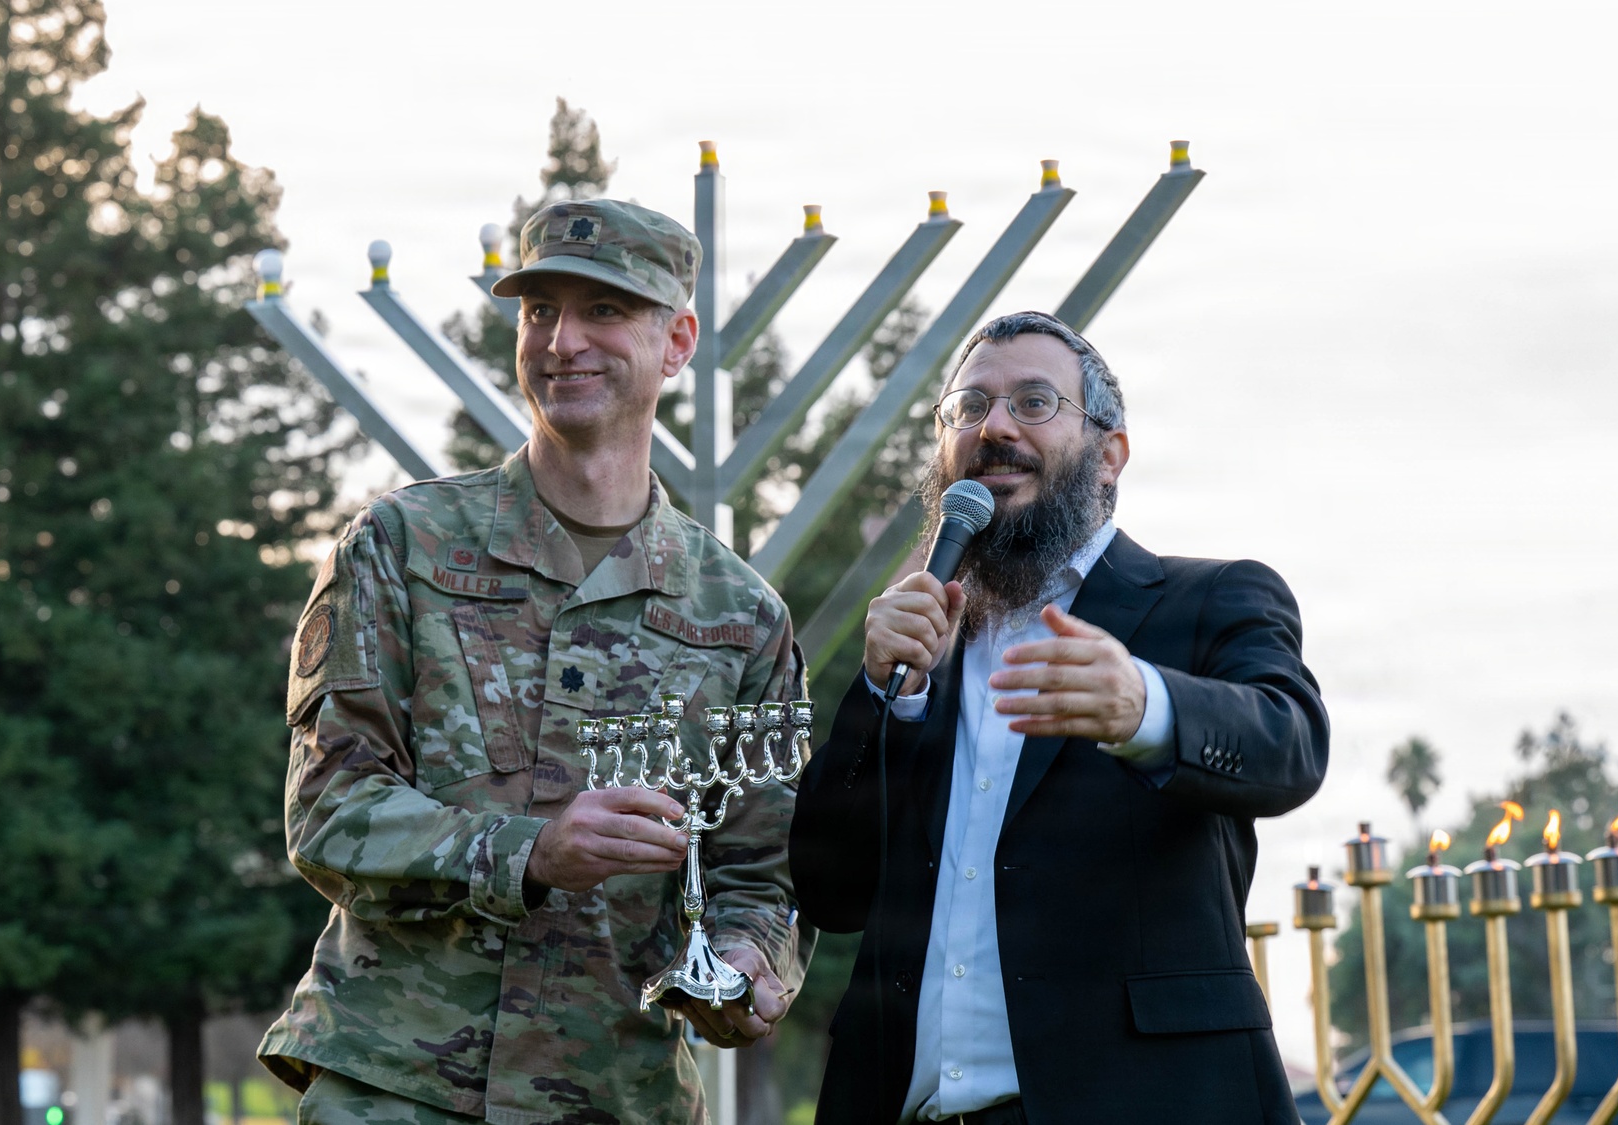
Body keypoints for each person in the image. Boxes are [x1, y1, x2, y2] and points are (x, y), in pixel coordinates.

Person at [259, 199, 809, 1125]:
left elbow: (765, 872)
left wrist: (751, 963)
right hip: (399, 1083)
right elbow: (328, 811)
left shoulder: (741, 615)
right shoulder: (401, 546)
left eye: (603, 311)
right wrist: (531, 852)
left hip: (615, 1095)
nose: (563, 341)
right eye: (540, 309)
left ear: (677, 342)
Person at [789, 311, 1327, 1124]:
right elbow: (829, 889)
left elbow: (1290, 744)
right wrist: (884, 700)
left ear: (1109, 455)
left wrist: (1146, 704)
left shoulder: (1207, 600)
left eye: (1033, 402)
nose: (994, 427)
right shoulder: (915, 650)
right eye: (967, 409)